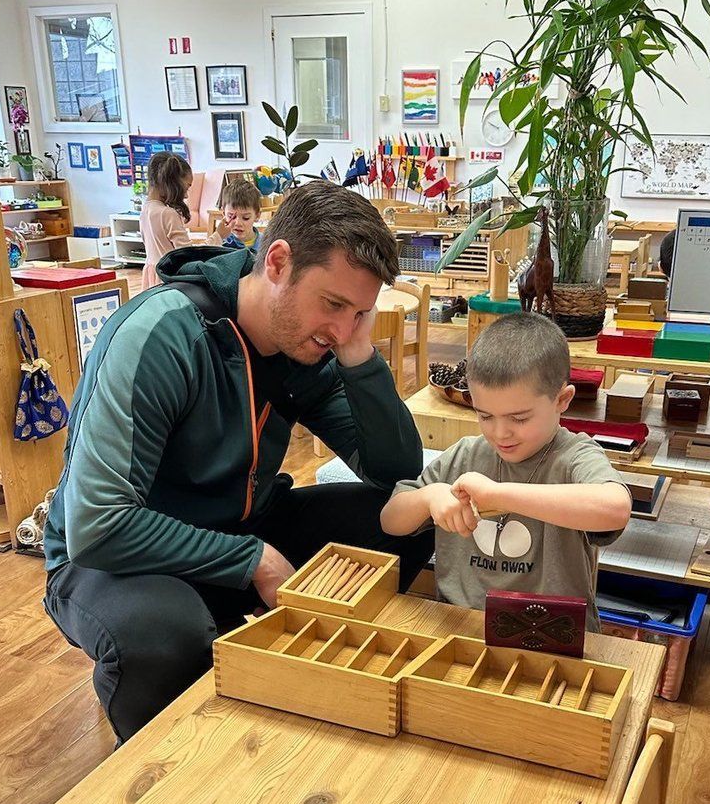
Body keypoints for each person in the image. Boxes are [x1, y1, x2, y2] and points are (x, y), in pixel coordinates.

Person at [44, 181, 431, 742]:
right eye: (334, 304)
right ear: (277, 263)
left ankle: (267, 665)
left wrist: (357, 353)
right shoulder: (162, 335)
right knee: (163, 633)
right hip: (114, 556)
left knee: (406, 516)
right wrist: (254, 561)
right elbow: (98, 526)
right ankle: (162, 756)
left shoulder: (310, 345)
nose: (342, 327)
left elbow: (394, 472)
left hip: (235, 525)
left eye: (360, 312)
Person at [381, 312, 631, 627]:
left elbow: (616, 508)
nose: (500, 433)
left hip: (550, 632)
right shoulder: (465, 455)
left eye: (519, 418)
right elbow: (391, 521)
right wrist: (429, 497)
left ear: (562, 400)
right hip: (462, 624)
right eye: (485, 416)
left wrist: (500, 496)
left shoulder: (574, 457)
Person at [140, 152, 193, 290]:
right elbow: (188, 255)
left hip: (152, 277)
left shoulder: (145, 209)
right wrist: (218, 236)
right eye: (186, 187)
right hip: (169, 280)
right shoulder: (167, 213)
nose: (186, 195)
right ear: (172, 183)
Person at [208, 179, 261, 251]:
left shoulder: (266, 243)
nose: (238, 223)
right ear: (223, 213)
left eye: (246, 218)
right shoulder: (219, 243)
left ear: (257, 216)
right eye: (231, 216)